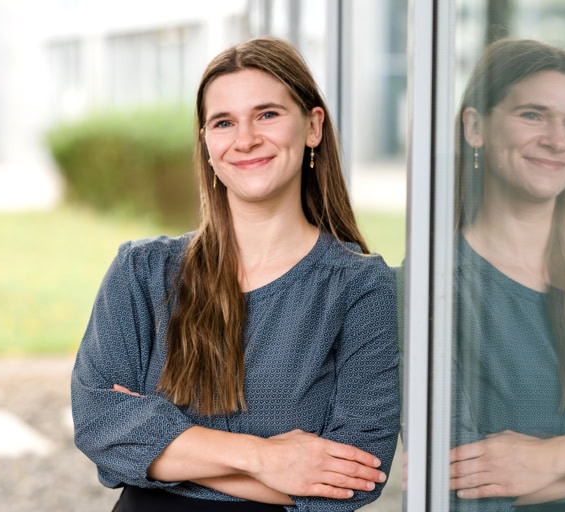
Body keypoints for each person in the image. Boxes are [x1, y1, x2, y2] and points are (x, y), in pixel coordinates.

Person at [71, 36, 400, 511]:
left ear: (313, 126)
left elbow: (356, 478)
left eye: (267, 114)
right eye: (224, 122)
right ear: (207, 144)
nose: (245, 139)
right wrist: (266, 458)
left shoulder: (360, 287)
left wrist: (158, 448)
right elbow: (99, 424)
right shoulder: (142, 272)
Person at [449, 38, 565, 511]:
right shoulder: (432, 291)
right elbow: (462, 490)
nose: (556, 140)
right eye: (532, 115)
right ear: (475, 127)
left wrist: (550, 458)